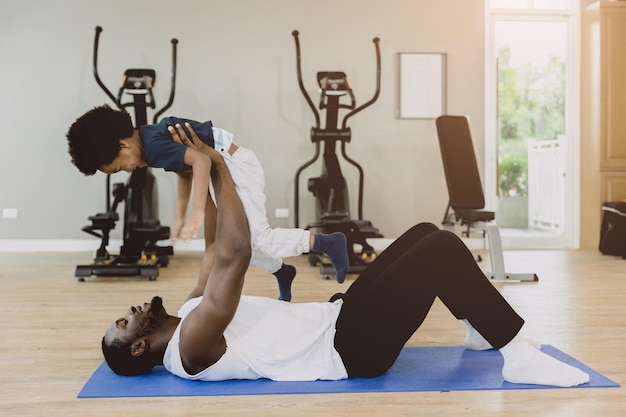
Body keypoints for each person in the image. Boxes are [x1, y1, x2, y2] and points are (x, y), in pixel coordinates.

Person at [101, 124, 590, 388]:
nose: (129, 313)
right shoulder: (190, 348)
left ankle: (478, 326)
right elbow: (237, 249)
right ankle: (516, 354)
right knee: (440, 248)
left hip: (339, 318)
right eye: (123, 324)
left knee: (424, 232)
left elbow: (213, 246)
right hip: (350, 349)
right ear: (140, 348)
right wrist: (222, 167)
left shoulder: (186, 312)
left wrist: (201, 165)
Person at [66, 104, 349, 301]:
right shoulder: (148, 142)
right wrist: (179, 218)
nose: (125, 171)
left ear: (122, 146)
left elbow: (200, 160)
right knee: (229, 243)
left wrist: (196, 214)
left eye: (118, 167)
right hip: (221, 169)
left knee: (258, 238)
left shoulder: (152, 145)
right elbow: (185, 173)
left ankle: (328, 243)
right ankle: (281, 271)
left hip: (235, 166)